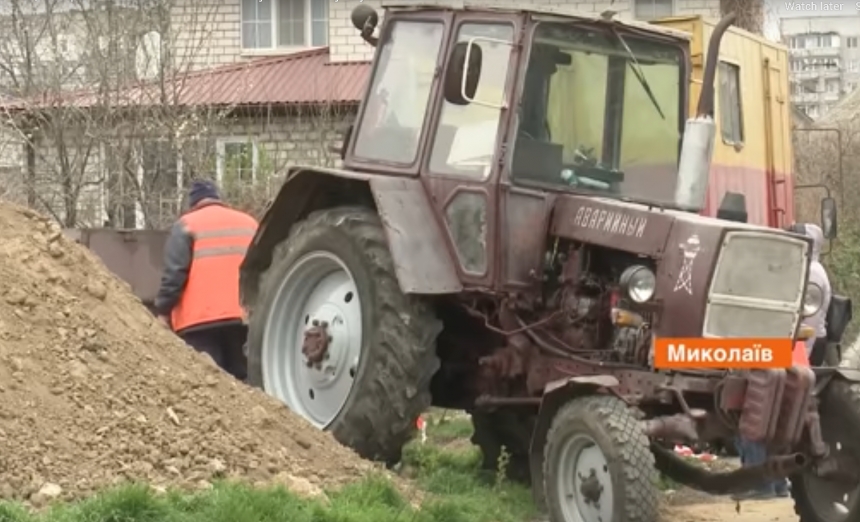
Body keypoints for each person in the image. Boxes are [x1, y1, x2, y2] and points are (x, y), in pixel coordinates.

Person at [153, 179, 259, 381]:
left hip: (199, 323)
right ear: (218, 198)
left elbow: (175, 274)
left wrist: (163, 311)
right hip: (244, 319)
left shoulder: (186, 225)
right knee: (246, 386)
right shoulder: (250, 223)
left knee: (208, 384)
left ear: (193, 204)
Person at [800, 223, 832, 363]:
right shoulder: (808, 267)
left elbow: (810, 322)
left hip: (811, 344)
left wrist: (803, 358)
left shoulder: (813, 273)